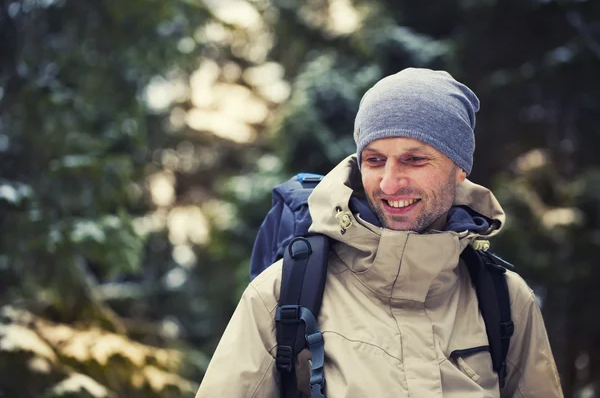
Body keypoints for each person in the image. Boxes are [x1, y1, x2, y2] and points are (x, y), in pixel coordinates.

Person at [195, 68, 563, 397]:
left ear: (459, 168)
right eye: (374, 160)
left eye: (414, 159)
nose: (389, 182)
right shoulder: (280, 293)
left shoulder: (505, 299)